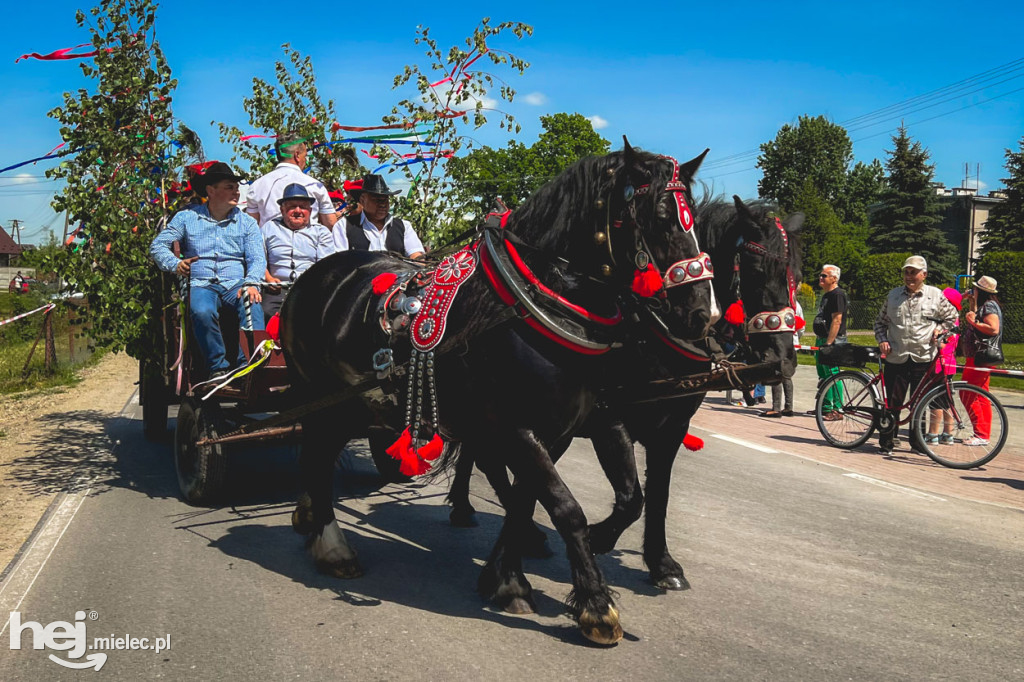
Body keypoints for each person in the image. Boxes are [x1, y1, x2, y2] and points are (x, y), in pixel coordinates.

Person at [150, 162, 267, 378]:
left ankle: (248, 366)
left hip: (235, 285)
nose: (236, 191)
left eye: (236, 187)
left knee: (252, 302)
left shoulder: (247, 223)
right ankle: (217, 367)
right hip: (202, 283)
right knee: (201, 311)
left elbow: (257, 258)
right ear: (211, 191)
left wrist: (251, 282)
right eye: (229, 187)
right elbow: (158, 246)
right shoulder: (187, 217)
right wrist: (176, 264)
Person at [873, 255, 958, 455]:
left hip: (923, 357)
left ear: (924, 274)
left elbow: (953, 318)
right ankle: (887, 442)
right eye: (906, 272)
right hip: (897, 356)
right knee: (893, 402)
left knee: (919, 404)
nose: (909, 276)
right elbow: (879, 323)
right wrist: (882, 340)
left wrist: (940, 331)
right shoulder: (893, 295)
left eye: (913, 272)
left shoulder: (935, 295)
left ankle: (917, 444)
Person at [261, 183, 335, 320]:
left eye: (303, 207)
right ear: (282, 210)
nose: (298, 210)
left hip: (309, 288)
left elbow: (325, 266)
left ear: (310, 211)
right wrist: (269, 279)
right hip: (276, 289)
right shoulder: (269, 228)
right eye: (292, 207)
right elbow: (259, 260)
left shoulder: (321, 232)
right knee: (265, 312)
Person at [245, 131, 338, 229]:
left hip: (268, 242)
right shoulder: (315, 185)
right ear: (297, 155)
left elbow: (251, 227)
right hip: (307, 242)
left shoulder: (256, 186)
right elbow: (331, 224)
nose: (305, 161)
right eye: (305, 156)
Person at [332, 174, 425, 259]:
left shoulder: (404, 227)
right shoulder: (343, 227)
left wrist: (417, 263)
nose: (382, 205)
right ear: (363, 200)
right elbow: (340, 263)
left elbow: (416, 255)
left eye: (385, 200)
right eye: (376, 200)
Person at [959, 275, 1003, 446]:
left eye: (975, 288)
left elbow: (993, 328)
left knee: (967, 393)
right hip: (980, 357)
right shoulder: (988, 305)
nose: (973, 290)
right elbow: (978, 317)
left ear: (981, 291)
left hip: (979, 356)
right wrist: (972, 304)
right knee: (981, 394)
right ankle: (983, 433)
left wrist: (971, 321)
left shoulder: (990, 306)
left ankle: (980, 434)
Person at [807, 264, 848, 420]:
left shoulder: (838, 295)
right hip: (822, 338)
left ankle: (837, 409)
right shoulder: (826, 295)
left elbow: (837, 320)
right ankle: (824, 407)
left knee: (833, 374)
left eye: (824, 276)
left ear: (834, 278)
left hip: (833, 340)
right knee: (823, 374)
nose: (821, 278)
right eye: (821, 275)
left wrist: (829, 343)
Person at [925, 287, 962, 444]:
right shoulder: (956, 319)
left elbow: (941, 344)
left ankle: (932, 434)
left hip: (939, 364)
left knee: (936, 401)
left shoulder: (943, 322)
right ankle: (948, 433)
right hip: (950, 363)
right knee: (947, 400)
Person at [762, 300, 803, 417]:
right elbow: (801, 327)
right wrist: (795, 338)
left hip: (778, 342)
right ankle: (788, 407)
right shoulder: (796, 305)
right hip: (790, 343)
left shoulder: (776, 305)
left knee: (776, 372)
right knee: (786, 375)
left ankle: (776, 408)